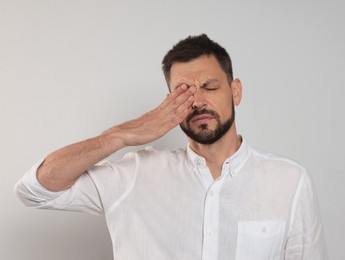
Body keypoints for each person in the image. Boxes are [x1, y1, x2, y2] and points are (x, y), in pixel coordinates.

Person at [15, 34, 328, 260]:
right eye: (184, 92)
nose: (198, 102)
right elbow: (36, 189)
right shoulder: (135, 175)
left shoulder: (289, 182)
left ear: (235, 91)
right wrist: (120, 135)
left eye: (209, 87)